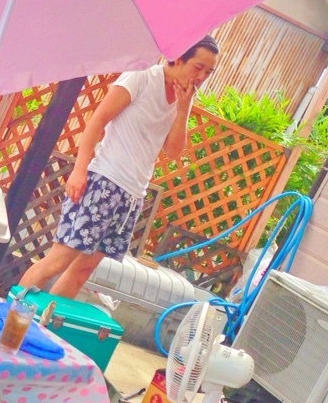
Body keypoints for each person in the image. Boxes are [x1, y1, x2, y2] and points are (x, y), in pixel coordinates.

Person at [19, 37, 219, 300]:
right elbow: (96, 121)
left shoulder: (184, 99)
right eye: (198, 67)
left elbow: (172, 152)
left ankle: (44, 320)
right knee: (58, 261)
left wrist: (183, 110)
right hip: (103, 182)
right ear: (179, 57)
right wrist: (79, 171)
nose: (201, 77)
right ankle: (9, 311)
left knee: (82, 271)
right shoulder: (141, 77)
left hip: (133, 195)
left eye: (208, 72)